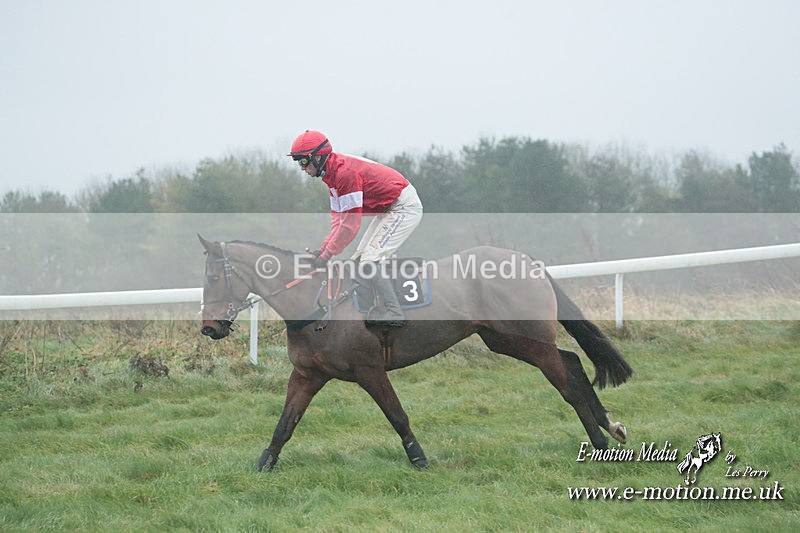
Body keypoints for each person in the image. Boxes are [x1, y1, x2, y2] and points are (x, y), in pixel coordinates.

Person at [288, 130, 423, 327]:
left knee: (370, 260)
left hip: (404, 206)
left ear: (317, 157)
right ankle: (370, 310)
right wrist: (323, 249)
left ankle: (395, 312)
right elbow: (339, 221)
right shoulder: (331, 176)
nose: (302, 168)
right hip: (389, 209)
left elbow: (351, 225)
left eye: (302, 162)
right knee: (358, 260)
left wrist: (326, 256)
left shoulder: (344, 174)